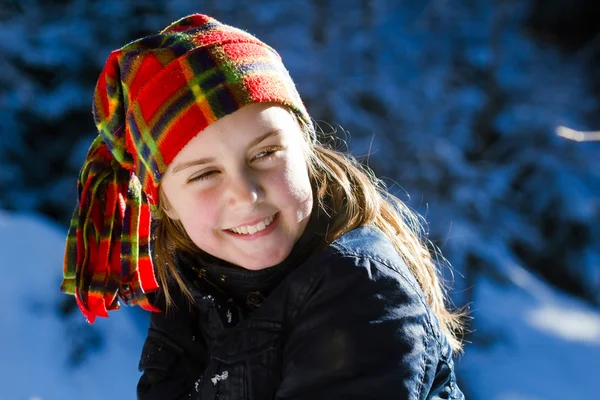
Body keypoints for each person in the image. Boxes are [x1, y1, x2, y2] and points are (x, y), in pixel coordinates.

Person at [61, 13, 465, 400]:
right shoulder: (193, 293)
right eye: (204, 175)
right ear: (165, 203)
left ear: (306, 149)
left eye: (265, 153)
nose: (246, 194)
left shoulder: (361, 291)